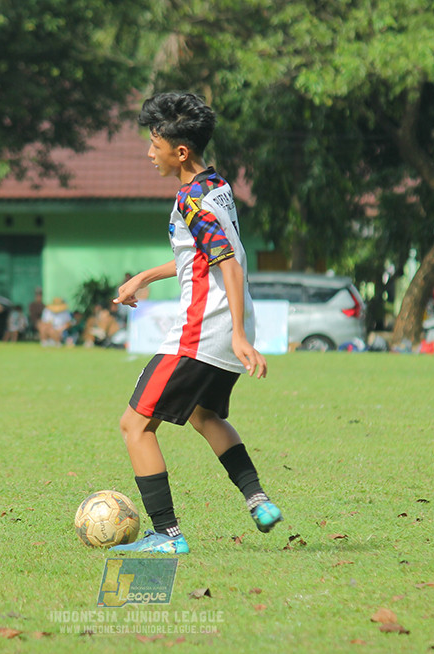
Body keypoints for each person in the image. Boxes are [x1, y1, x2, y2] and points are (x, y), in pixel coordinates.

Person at [109, 92, 281, 554]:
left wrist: (240, 336)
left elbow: (226, 261)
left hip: (201, 331)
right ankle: (259, 501)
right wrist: (144, 276)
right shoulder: (216, 186)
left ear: (180, 151)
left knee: (134, 426)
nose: (149, 152)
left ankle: (167, 536)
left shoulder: (190, 199)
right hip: (224, 331)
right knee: (206, 416)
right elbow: (199, 257)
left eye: (154, 143)